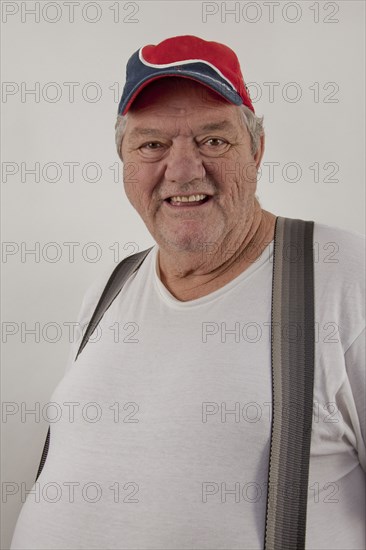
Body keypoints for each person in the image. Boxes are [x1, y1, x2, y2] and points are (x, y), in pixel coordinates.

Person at [10, 35, 365, 550]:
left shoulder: (342, 276)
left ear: (257, 150)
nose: (182, 169)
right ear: (124, 160)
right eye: (152, 144)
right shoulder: (112, 288)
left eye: (213, 140)